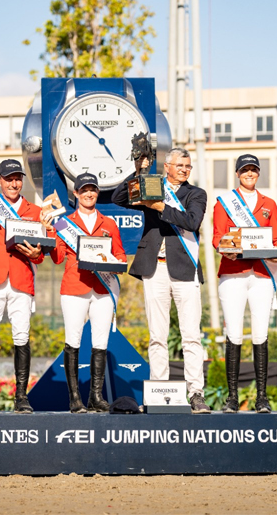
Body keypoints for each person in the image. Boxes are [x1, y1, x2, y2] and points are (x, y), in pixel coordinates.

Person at [112, 147, 210, 414]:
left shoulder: (195, 194)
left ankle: (196, 393)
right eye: (180, 166)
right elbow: (119, 198)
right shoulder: (151, 185)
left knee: (191, 336)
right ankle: (159, 391)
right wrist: (137, 171)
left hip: (184, 268)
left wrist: (159, 206)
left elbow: (192, 221)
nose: (185, 170)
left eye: (188, 167)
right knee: (157, 335)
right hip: (155, 268)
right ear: (167, 166)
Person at [0, 159, 50, 414]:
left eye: (18, 178)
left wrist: (36, 252)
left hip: (21, 278)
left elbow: (40, 255)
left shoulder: (35, 211)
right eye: (9, 178)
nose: (14, 183)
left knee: (22, 336)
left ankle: (21, 397)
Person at [47, 173, 127, 413]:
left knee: (100, 342)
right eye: (84, 190)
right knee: (73, 340)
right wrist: (51, 233)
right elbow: (58, 257)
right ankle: (74, 398)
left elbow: (121, 255)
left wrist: (113, 261)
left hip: (102, 288)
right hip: (74, 286)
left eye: (92, 189)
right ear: (76, 194)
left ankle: (95, 396)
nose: (89, 194)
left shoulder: (109, 223)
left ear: (97, 193)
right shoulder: (63, 223)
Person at [212, 154, 277, 413]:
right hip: (233, 272)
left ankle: (261, 397)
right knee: (233, 333)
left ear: (259, 172)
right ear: (237, 173)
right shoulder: (224, 203)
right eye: (245, 170)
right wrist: (226, 248)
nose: (250, 173)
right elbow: (218, 236)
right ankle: (233, 397)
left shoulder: (269, 204)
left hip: (262, 274)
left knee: (260, 333)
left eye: (254, 169)